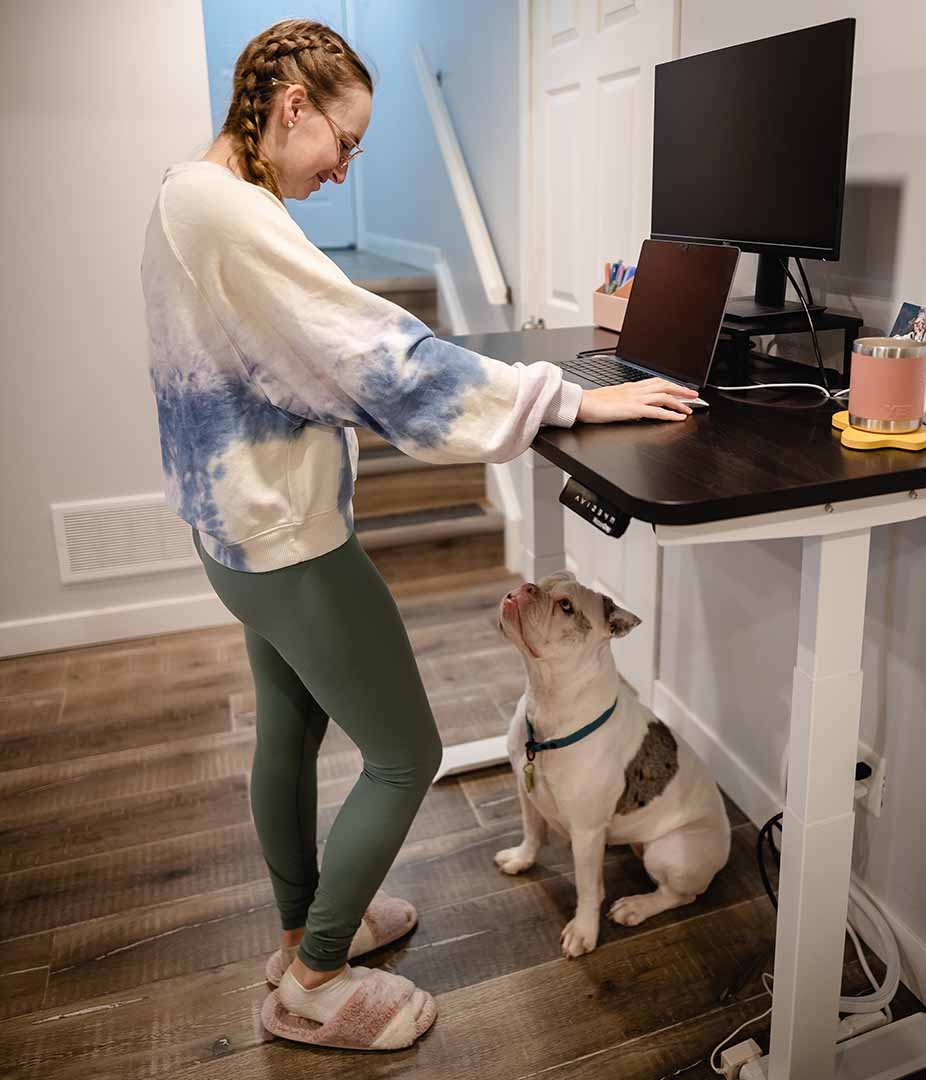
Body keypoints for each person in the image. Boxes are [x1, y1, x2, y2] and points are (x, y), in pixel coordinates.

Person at [140, 18, 698, 1051]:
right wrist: (569, 399)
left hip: (227, 531)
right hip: (288, 538)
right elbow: (380, 355)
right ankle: (312, 978)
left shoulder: (187, 194)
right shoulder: (236, 218)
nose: (343, 169)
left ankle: (306, 927)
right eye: (340, 143)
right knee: (408, 753)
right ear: (292, 107)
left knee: (292, 729)